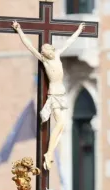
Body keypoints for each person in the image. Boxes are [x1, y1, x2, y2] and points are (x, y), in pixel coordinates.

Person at [11, 20, 84, 171]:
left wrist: (79, 30)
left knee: (62, 125)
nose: (47, 53)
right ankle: (49, 153)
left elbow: (69, 42)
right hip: (54, 94)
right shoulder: (44, 60)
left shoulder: (57, 55)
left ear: (52, 49)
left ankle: (49, 153)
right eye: (44, 52)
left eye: (48, 51)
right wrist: (19, 31)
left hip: (62, 92)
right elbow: (29, 46)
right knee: (61, 123)